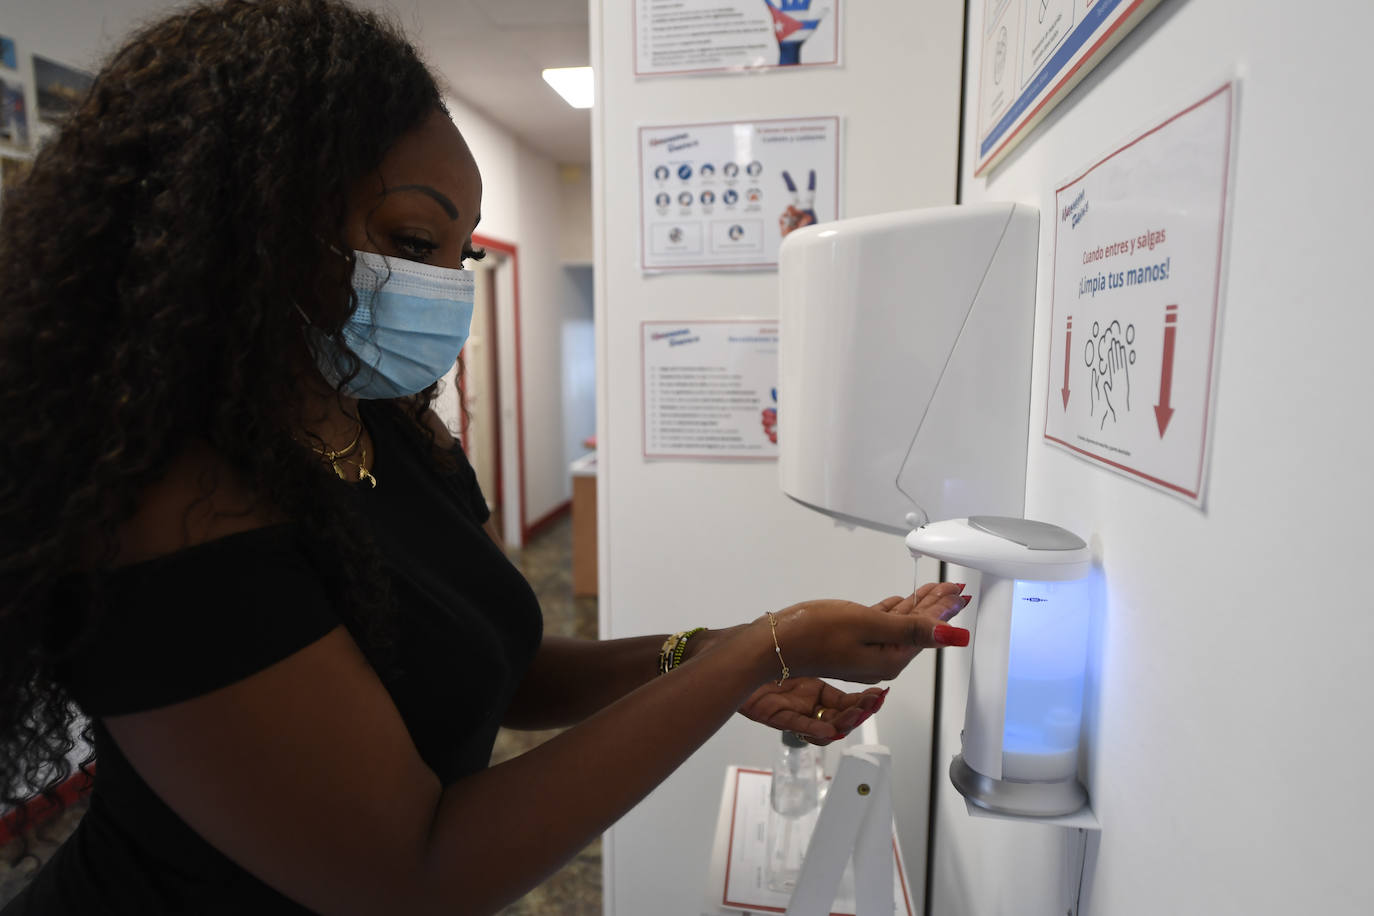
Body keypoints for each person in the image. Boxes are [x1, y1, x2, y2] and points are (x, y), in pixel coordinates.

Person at [0, 1, 971, 913]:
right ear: (240, 222)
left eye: (459, 254)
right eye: (412, 238)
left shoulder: (386, 427)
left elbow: (501, 671)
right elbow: (413, 873)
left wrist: (711, 653)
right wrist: (763, 646)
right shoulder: (168, 505)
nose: (441, 287)